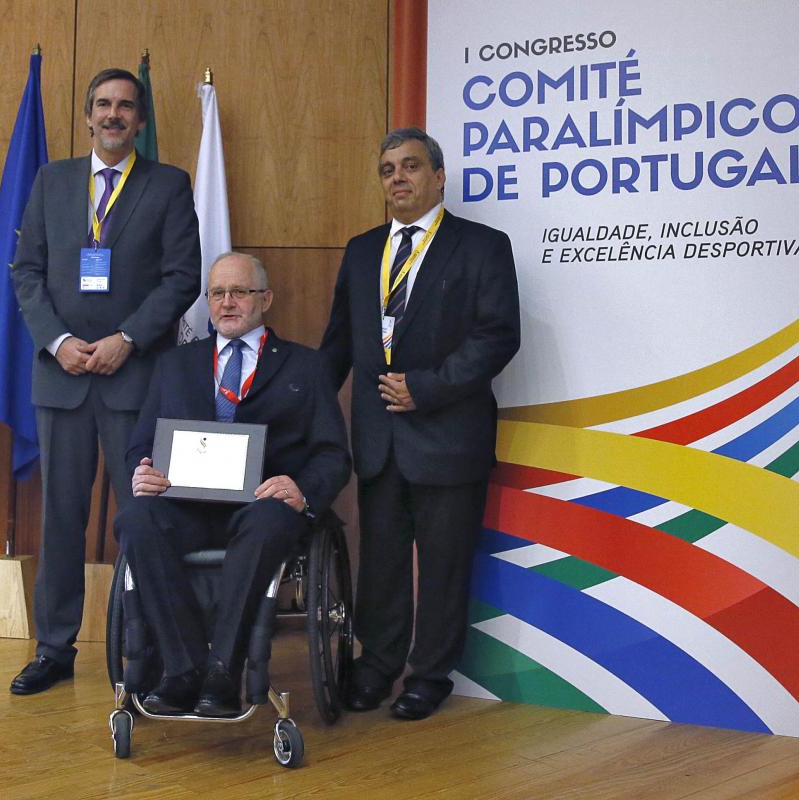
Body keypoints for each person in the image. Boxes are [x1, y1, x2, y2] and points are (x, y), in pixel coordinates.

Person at [8, 67, 201, 695]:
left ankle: (147, 649)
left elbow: (182, 278)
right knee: (60, 519)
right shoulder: (52, 180)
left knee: (143, 518)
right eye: (102, 105)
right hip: (61, 378)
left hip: (134, 376)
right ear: (88, 116)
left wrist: (128, 339)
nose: (113, 115)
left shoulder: (168, 185)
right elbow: (27, 271)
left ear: (140, 121)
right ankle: (54, 649)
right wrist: (60, 342)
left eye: (125, 106)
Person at [320, 127, 520, 720]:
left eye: (410, 166)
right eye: (387, 169)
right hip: (379, 440)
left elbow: (497, 335)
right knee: (380, 565)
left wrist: (427, 388)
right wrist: (297, 409)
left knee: (443, 564)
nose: (397, 178)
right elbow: (337, 344)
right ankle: (376, 666)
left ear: (438, 176)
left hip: (449, 435)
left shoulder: (482, 246)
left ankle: (430, 675)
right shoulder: (362, 251)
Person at [115, 252, 351, 716]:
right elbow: (139, 443)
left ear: (265, 298)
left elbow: (333, 454)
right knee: (137, 520)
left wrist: (301, 490)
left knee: (267, 523)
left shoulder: (306, 367)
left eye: (239, 292)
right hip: (183, 506)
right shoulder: (174, 365)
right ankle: (183, 670)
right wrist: (141, 469)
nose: (227, 303)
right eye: (217, 293)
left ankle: (223, 671)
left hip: (262, 508)